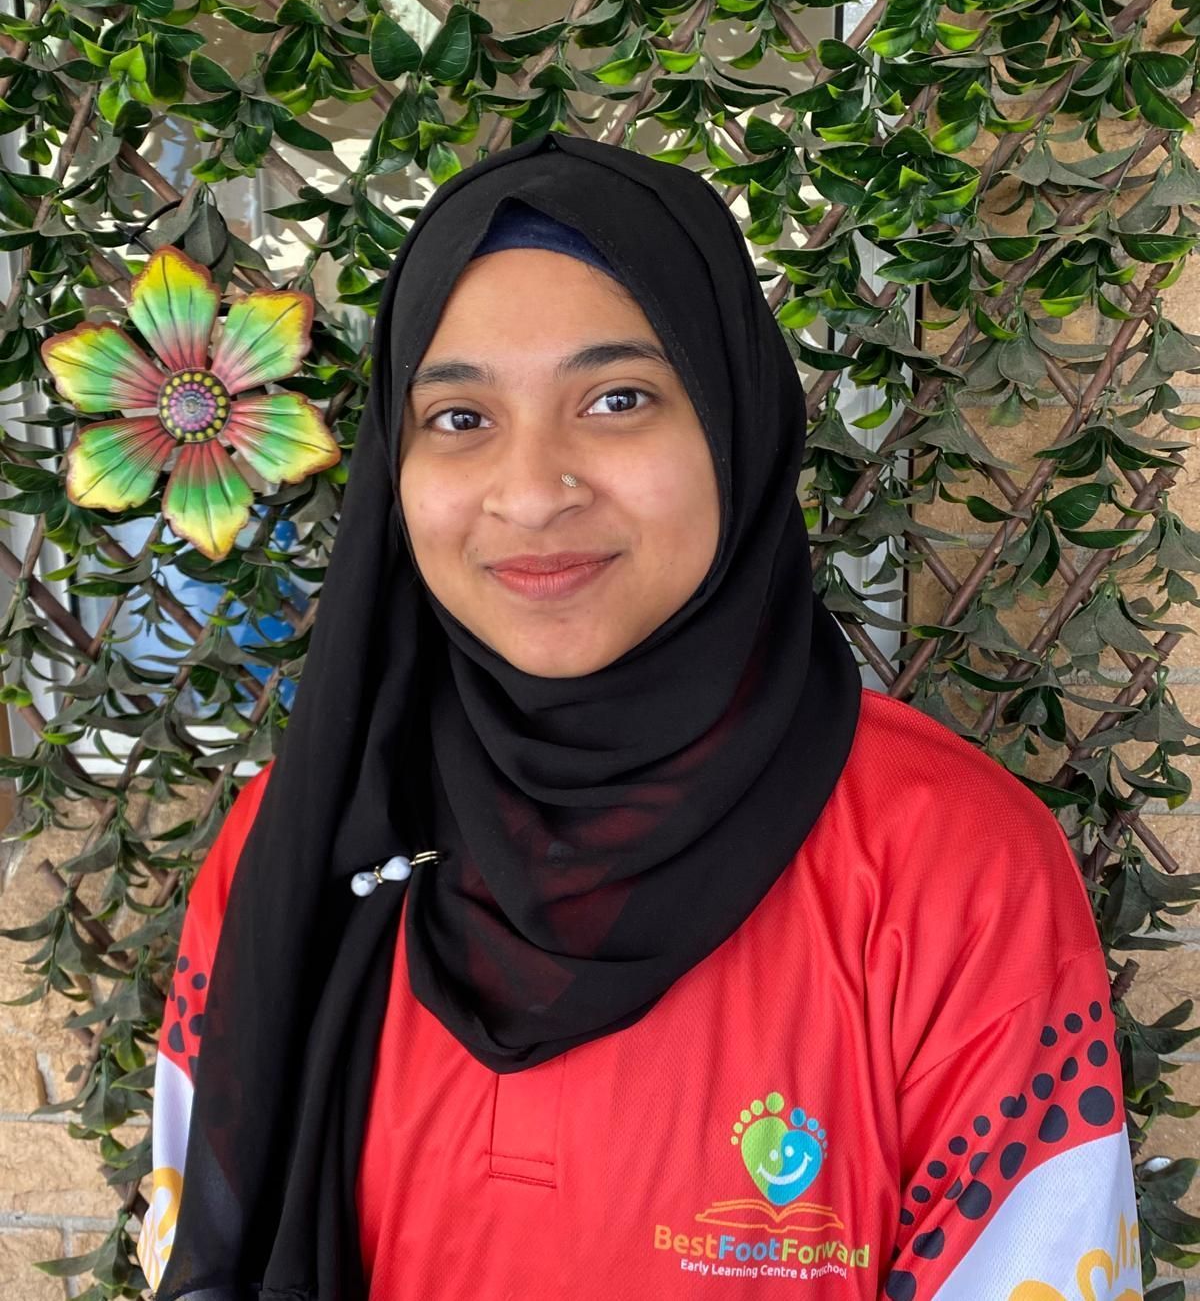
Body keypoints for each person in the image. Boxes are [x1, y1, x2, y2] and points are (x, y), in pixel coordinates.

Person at [138, 133, 1141, 1300]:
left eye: (618, 399)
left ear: (733, 423)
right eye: (459, 418)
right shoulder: (303, 844)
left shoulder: (948, 866)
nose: (531, 490)